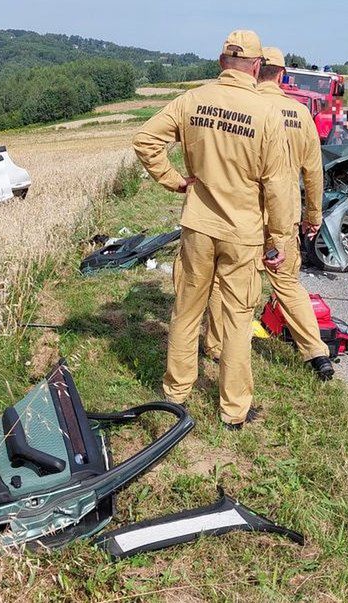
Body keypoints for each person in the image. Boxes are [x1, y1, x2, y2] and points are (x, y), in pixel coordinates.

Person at [132, 30, 291, 430]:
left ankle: (176, 394)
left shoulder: (192, 100)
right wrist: (280, 238)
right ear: (256, 67)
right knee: (238, 318)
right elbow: (277, 184)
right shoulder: (267, 113)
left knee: (186, 310)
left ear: (222, 62)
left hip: (198, 226)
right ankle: (233, 410)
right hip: (243, 232)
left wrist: (175, 180)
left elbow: (145, 139)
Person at [204, 46, 334, 382]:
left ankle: (216, 346)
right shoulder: (299, 113)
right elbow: (313, 171)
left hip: (242, 213)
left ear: (254, 69)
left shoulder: (244, 108)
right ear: (281, 73)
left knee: (225, 281)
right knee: (288, 284)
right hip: (283, 214)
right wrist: (313, 215)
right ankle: (316, 353)